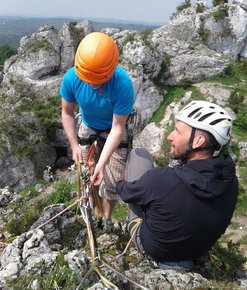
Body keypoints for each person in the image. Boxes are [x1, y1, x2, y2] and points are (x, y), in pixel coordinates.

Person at [116, 100, 238, 270]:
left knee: (139, 154)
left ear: (198, 141)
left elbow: (126, 192)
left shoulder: (163, 179)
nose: (169, 136)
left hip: (156, 250)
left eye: (177, 131)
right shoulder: (230, 181)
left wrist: (119, 181)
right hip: (195, 251)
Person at [60, 32, 134, 228]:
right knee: (88, 177)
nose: (92, 83)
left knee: (112, 180)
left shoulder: (122, 84)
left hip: (113, 129)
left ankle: (107, 217)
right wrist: (74, 145)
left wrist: (101, 164)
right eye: (87, 78)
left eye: (97, 79)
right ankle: (96, 213)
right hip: (88, 125)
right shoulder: (72, 78)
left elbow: (118, 128)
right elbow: (67, 113)